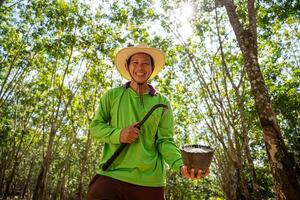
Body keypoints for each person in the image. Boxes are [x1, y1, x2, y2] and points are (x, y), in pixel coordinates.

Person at [87, 44, 208, 200]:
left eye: (145, 63)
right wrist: (119, 134)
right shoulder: (112, 96)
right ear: (127, 66)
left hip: (150, 182)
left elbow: (165, 141)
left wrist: (180, 165)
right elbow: (96, 127)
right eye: (135, 62)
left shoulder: (162, 102)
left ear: (152, 68)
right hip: (110, 175)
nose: (140, 67)